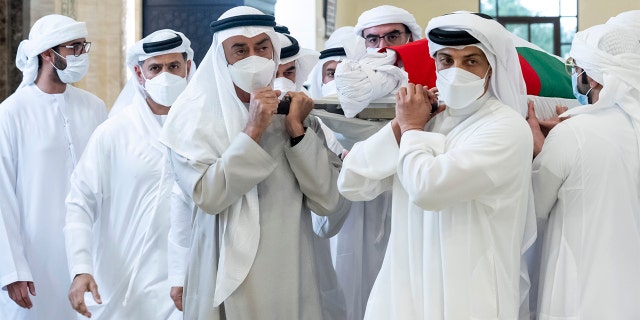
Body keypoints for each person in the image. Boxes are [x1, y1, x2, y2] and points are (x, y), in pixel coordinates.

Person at [338, 12, 535, 319]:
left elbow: (428, 190)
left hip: (468, 295)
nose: (456, 71)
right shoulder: (429, 119)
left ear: (492, 68)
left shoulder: (505, 127)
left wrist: (413, 129)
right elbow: (352, 182)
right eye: (446, 60)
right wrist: (398, 126)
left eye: (471, 61)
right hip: (406, 292)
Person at [158, 6, 352, 319]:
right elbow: (209, 196)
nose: (253, 57)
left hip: (291, 268)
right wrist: (253, 130)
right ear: (223, 57)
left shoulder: (295, 114)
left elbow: (329, 202)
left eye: (262, 47)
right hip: (222, 271)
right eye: (240, 50)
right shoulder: (192, 119)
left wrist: (297, 133)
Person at [64, 29, 194, 319]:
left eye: (173, 66)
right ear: (139, 73)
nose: (166, 76)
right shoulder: (113, 133)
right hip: (121, 287)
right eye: (155, 68)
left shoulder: (204, 131)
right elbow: (79, 204)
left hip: (184, 284)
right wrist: (80, 268)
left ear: (187, 68)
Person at [528, 23, 640, 319]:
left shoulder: (573, 133)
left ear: (588, 75)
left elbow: (536, 205)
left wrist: (541, 153)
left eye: (574, 69)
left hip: (583, 296)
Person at [0, 14, 107, 320]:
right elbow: (1, 197)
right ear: (48, 53)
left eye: (83, 47)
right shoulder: (11, 114)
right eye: (74, 48)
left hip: (90, 253)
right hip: (33, 260)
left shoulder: (94, 107)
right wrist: (12, 269)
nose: (81, 55)